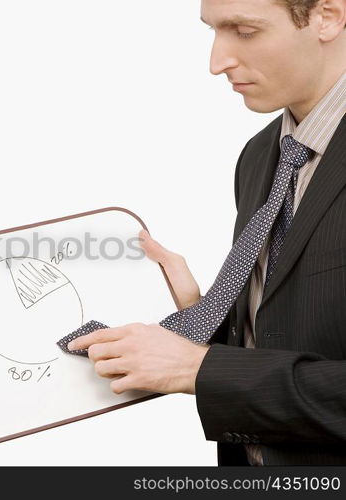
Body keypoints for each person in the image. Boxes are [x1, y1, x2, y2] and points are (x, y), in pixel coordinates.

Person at [67, 0, 346, 465]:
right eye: (214, 30)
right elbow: (287, 343)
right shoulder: (260, 156)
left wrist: (199, 368)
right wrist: (205, 320)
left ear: (327, 16)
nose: (217, 62)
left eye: (244, 31)